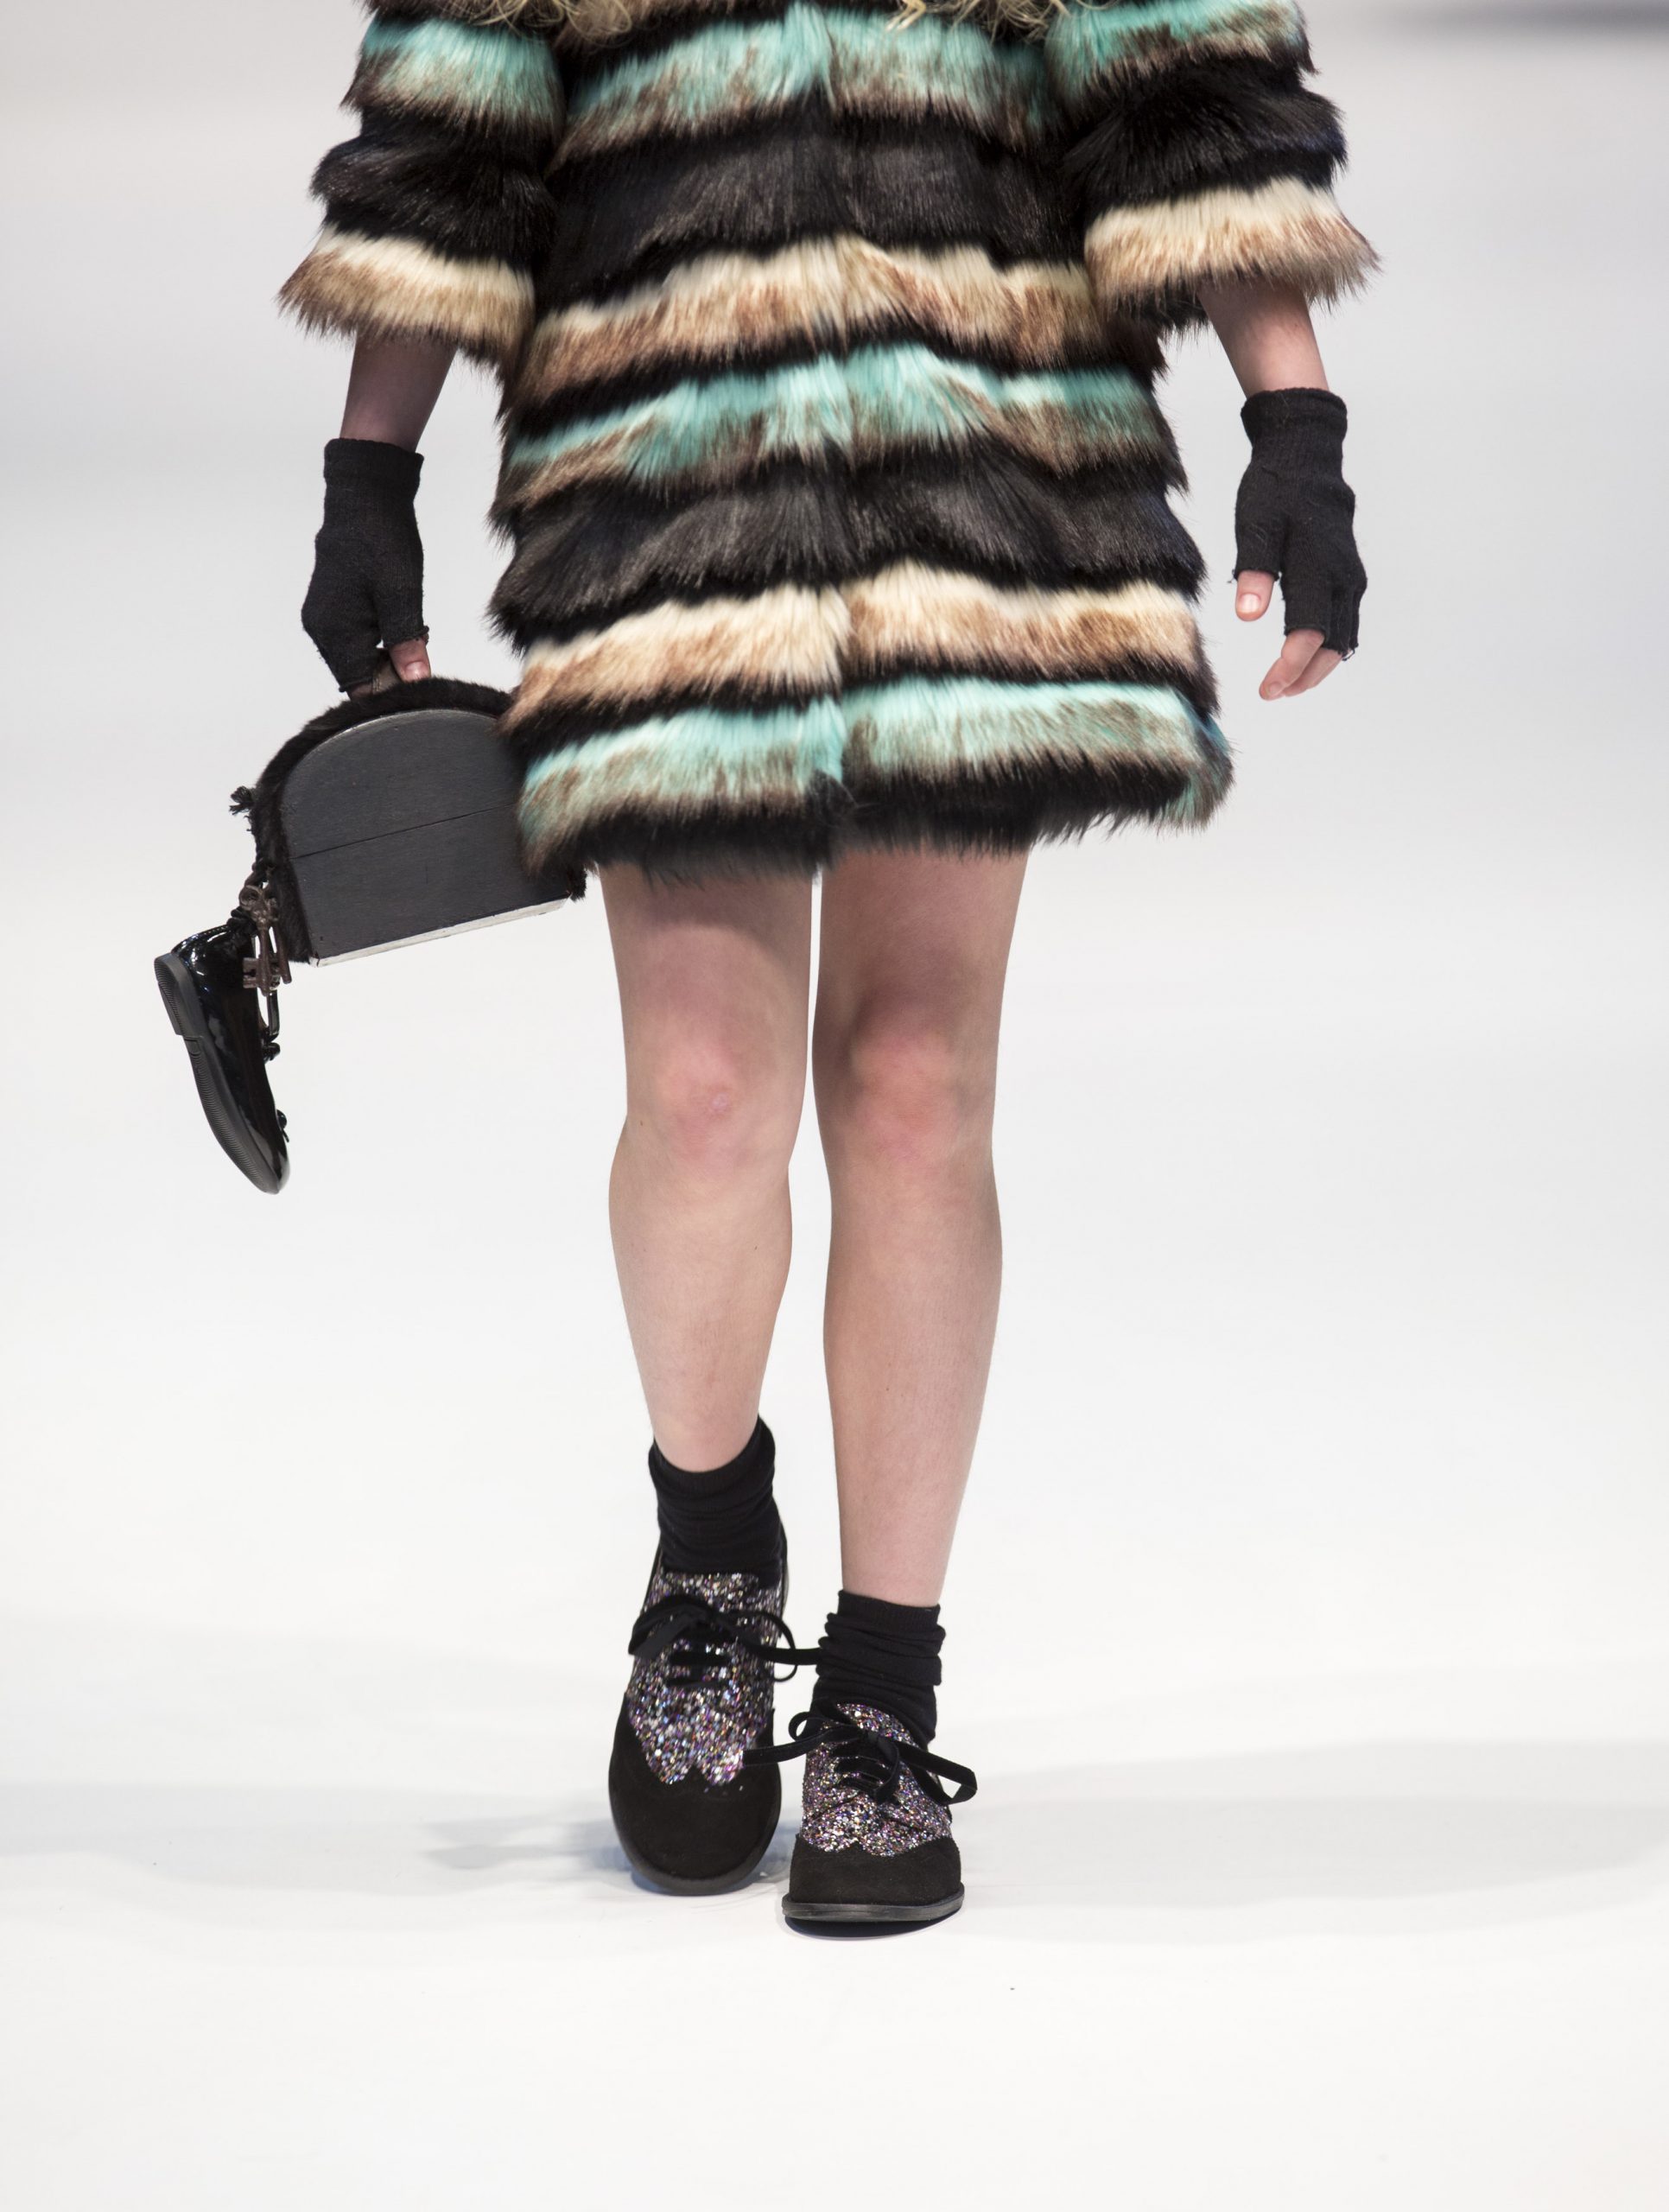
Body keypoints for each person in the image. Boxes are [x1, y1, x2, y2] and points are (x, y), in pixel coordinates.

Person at [280, 0, 1374, 1928]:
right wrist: (372, 463)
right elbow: (460, 105)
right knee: (707, 1098)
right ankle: (712, 1556)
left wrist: (1296, 419)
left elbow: (1185, 70)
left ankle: (880, 1686)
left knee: (913, 1087)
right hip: (667, 463)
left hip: (991, 453)